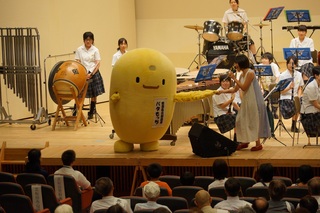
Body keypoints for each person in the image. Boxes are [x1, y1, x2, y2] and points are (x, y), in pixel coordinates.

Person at [217, 54, 271, 151]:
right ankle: (245, 141)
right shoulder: (242, 74)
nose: (235, 65)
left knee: (253, 121)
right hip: (247, 100)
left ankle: (258, 144)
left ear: (240, 64)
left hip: (254, 100)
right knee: (240, 120)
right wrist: (222, 91)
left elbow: (244, 87)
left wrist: (234, 78)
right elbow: (235, 89)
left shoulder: (250, 73)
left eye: (236, 63)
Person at [75, 31, 105, 119]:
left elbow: (97, 63)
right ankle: (77, 111)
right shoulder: (79, 49)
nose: (88, 41)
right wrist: (83, 73)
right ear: (84, 40)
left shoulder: (95, 50)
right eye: (86, 39)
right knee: (80, 93)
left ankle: (92, 111)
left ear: (92, 40)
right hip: (82, 73)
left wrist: (91, 74)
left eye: (90, 39)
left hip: (93, 73)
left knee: (93, 93)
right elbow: (78, 61)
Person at [278, 55, 304, 133]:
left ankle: (294, 124)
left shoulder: (299, 74)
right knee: (294, 103)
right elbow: (281, 91)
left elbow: (300, 88)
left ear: (296, 65)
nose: (291, 65)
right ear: (287, 64)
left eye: (293, 63)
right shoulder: (282, 75)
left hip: (295, 96)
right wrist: (289, 88)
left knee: (300, 102)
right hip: (285, 97)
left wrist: (298, 96)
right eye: (289, 63)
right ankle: (293, 124)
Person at [212, 74, 239, 141]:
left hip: (228, 114)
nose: (225, 83)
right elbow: (222, 106)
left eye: (227, 81)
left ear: (230, 82)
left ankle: (239, 139)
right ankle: (237, 140)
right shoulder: (218, 92)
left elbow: (234, 104)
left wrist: (241, 110)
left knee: (242, 117)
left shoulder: (228, 90)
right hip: (220, 117)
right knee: (238, 120)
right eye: (223, 81)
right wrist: (231, 99)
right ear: (220, 82)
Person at [300, 66, 320, 140]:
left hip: (315, 111)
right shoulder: (311, 87)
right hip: (309, 116)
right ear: (316, 76)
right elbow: (316, 104)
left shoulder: (318, 85)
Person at [259, 52, 280, 119]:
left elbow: (277, 76)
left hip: (272, 86)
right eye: (263, 58)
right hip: (264, 86)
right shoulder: (260, 66)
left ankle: (274, 112)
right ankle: (266, 112)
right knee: (264, 100)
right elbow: (258, 77)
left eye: (266, 59)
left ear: (270, 60)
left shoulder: (274, 66)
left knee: (274, 100)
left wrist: (275, 86)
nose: (263, 60)